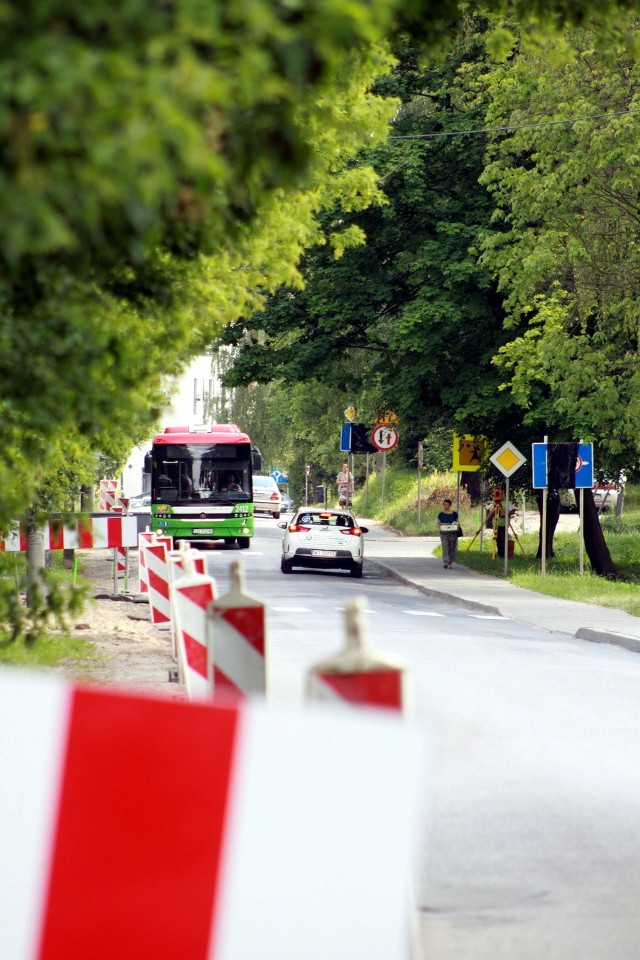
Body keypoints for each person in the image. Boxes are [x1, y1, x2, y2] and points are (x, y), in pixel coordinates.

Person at [491, 488, 516, 558]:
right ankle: (500, 554)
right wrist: (493, 511)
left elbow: (513, 510)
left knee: (503, 539)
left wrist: (506, 515)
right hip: (496, 523)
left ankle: (504, 554)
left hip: (504, 524)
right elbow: (492, 513)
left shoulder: (506, 502)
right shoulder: (494, 503)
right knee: (497, 539)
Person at [437, 498, 460, 569]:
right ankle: (446, 562)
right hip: (444, 533)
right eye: (444, 505)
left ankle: (450, 562)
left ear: (450, 505)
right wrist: (440, 527)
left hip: (453, 533)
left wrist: (456, 526)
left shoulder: (454, 514)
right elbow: (438, 523)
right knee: (445, 547)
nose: (445, 506)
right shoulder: (441, 514)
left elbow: (458, 522)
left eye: (446, 504)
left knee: (452, 547)